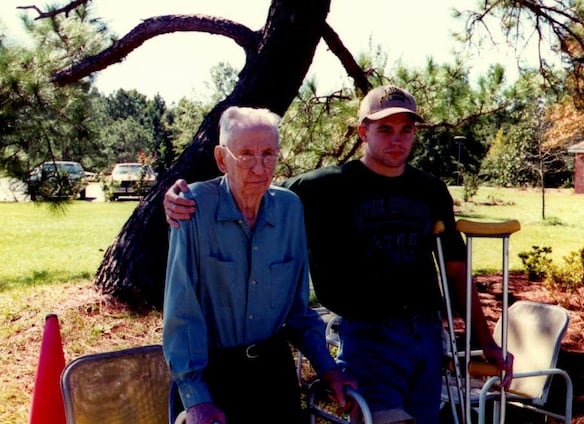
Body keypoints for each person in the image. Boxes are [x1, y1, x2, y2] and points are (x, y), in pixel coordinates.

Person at [163, 87, 514, 424]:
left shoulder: (428, 189)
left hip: (423, 336)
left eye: (406, 130)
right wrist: (181, 196)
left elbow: (455, 268)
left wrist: (486, 341)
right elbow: (245, 186)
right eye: (385, 129)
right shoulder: (324, 186)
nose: (397, 139)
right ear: (363, 132)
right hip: (368, 339)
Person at [162, 106, 355, 424]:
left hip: (272, 374)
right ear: (223, 159)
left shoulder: (289, 208)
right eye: (246, 154)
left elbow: (298, 312)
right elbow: (182, 313)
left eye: (268, 154)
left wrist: (328, 368)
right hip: (213, 375)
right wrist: (196, 398)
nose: (259, 167)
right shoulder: (193, 207)